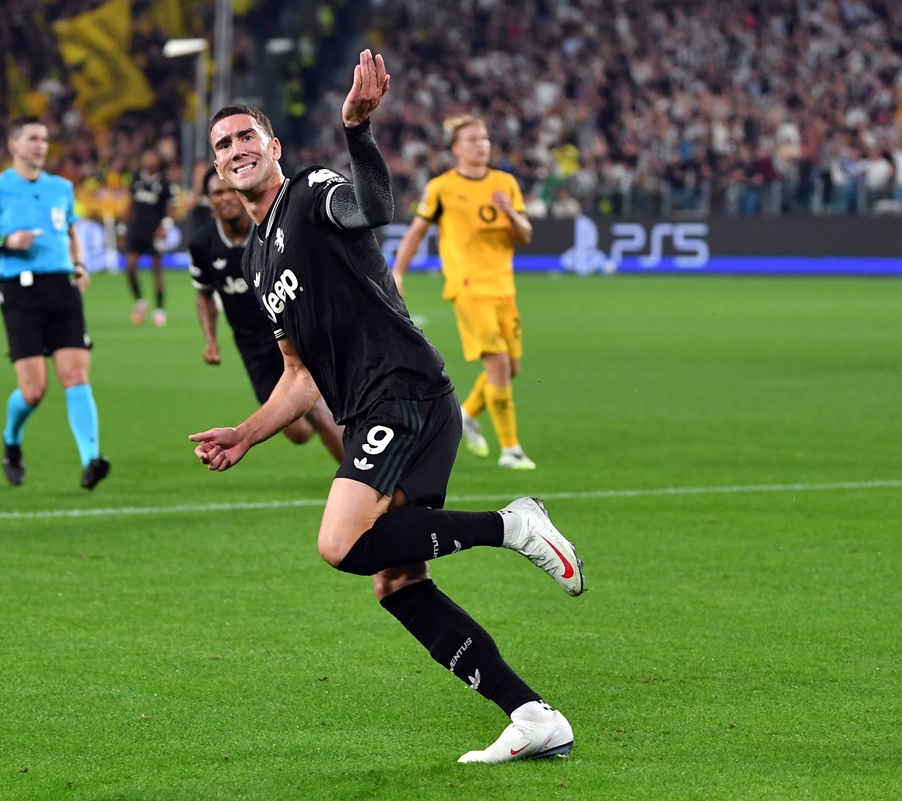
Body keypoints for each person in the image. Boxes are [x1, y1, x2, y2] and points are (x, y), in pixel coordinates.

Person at [191, 51, 585, 764]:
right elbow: (299, 373)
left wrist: (357, 130)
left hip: (400, 390)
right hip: (386, 404)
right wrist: (247, 433)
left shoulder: (311, 192)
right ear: (215, 167)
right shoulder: (256, 258)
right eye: (223, 145)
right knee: (395, 580)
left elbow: (375, 207)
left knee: (338, 543)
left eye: (247, 136)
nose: (236, 150)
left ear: (273, 146)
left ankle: (513, 524)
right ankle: (531, 714)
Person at [0, 116, 110, 490]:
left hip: (62, 287)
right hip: (20, 290)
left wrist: (78, 265)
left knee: (75, 375)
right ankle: (12, 440)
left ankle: (91, 459)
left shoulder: (61, 188)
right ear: (13, 145)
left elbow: (71, 230)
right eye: (32, 138)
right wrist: (4, 242)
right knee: (33, 391)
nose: (41, 145)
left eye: (44, 138)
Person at [392, 115, 538, 470]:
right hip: (468, 286)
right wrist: (396, 271)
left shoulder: (505, 183)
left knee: (511, 368)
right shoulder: (442, 188)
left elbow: (525, 235)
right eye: (472, 139)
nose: (481, 145)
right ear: (456, 148)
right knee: (499, 363)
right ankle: (511, 449)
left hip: (504, 286)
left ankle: (468, 412)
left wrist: (510, 213)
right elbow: (415, 232)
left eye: (485, 138)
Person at [188, 169, 345, 462]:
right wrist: (210, 340)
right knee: (297, 431)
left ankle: (367, 482)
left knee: (320, 415)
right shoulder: (202, 244)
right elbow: (204, 293)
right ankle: (317, 402)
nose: (225, 198)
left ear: (240, 192)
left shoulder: (271, 231)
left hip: (292, 335)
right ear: (210, 202)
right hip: (253, 347)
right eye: (216, 193)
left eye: (228, 190)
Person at [124, 149, 179, 327]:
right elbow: (129, 203)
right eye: (145, 157)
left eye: (151, 157)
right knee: (130, 267)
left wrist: (166, 225)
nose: (148, 160)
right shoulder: (136, 178)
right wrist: (122, 226)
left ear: (157, 161)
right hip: (136, 229)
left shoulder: (164, 182)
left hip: (155, 231)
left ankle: (159, 309)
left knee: (157, 270)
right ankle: (140, 301)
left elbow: (172, 207)